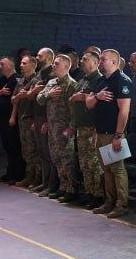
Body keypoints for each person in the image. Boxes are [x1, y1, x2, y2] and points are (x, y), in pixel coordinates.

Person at [86, 49, 132, 219]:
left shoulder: (122, 81)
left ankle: (121, 204)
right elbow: (89, 104)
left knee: (117, 169)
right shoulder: (100, 81)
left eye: (103, 59)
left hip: (113, 134)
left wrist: (118, 136)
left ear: (114, 61)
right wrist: (97, 97)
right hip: (100, 132)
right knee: (106, 170)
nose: (100, 61)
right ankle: (109, 201)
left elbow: (124, 111)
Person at [37, 54, 79, 202]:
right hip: (52, 128)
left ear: (66, 67)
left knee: (67, 160)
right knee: (57, 159)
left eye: (57, 64)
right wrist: (49, 94)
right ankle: (63, 187)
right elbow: (39, 99)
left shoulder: (71, 85)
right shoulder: (51, 82)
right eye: (54, 64)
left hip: (64, 129)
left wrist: (71, 128)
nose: (53, 66)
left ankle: (71, 189)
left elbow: (74, 111)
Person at [66, 49, 104, 209]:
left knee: (95, 164)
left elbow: (97, 103)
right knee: (84, 163)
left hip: (92, 127)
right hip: (81, 127)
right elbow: (74, 100)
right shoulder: (82, 80)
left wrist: (97, 128)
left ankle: (98, 195)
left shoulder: (99, 80)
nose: (82, 61)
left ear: (96, 63)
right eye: (81, 59)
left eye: (86, 59)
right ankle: (89, 193)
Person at [28, 48, 57, 196]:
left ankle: (52, 185)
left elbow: (48, 99)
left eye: (40, 56)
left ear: (49, 58)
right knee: (42, 151)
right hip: (38, 115)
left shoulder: (52, 75)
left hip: (47, 117)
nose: (37, 58)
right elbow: (31, 94)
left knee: (49, 151)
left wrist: (46, 120)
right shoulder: (39, 74)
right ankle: (45, 182)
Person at [0, 56, 24, 184]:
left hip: (12, 119)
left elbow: (17, 100)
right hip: (2, 118)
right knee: (7, 147)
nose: (0, 67)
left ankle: (18, 174)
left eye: (2, 64)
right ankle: (9, 172)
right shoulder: (1, 80)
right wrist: (0, 93)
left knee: (14, 146)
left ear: (11, 65)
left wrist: (12, 117)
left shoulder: (16, 80)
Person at [12, 55, 42, 188]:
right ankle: (29, 177)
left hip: (31, 120)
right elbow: (13, 100)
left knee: (34, 151)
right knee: (26, 151)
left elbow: (37, 100)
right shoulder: (21, 81)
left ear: (32, 65)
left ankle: (38, 178)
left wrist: (29, 94)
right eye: (21, 63)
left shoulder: (37, 80)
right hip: (22, 120)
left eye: (24, 63)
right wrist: (19, 96)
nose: (21, 65)